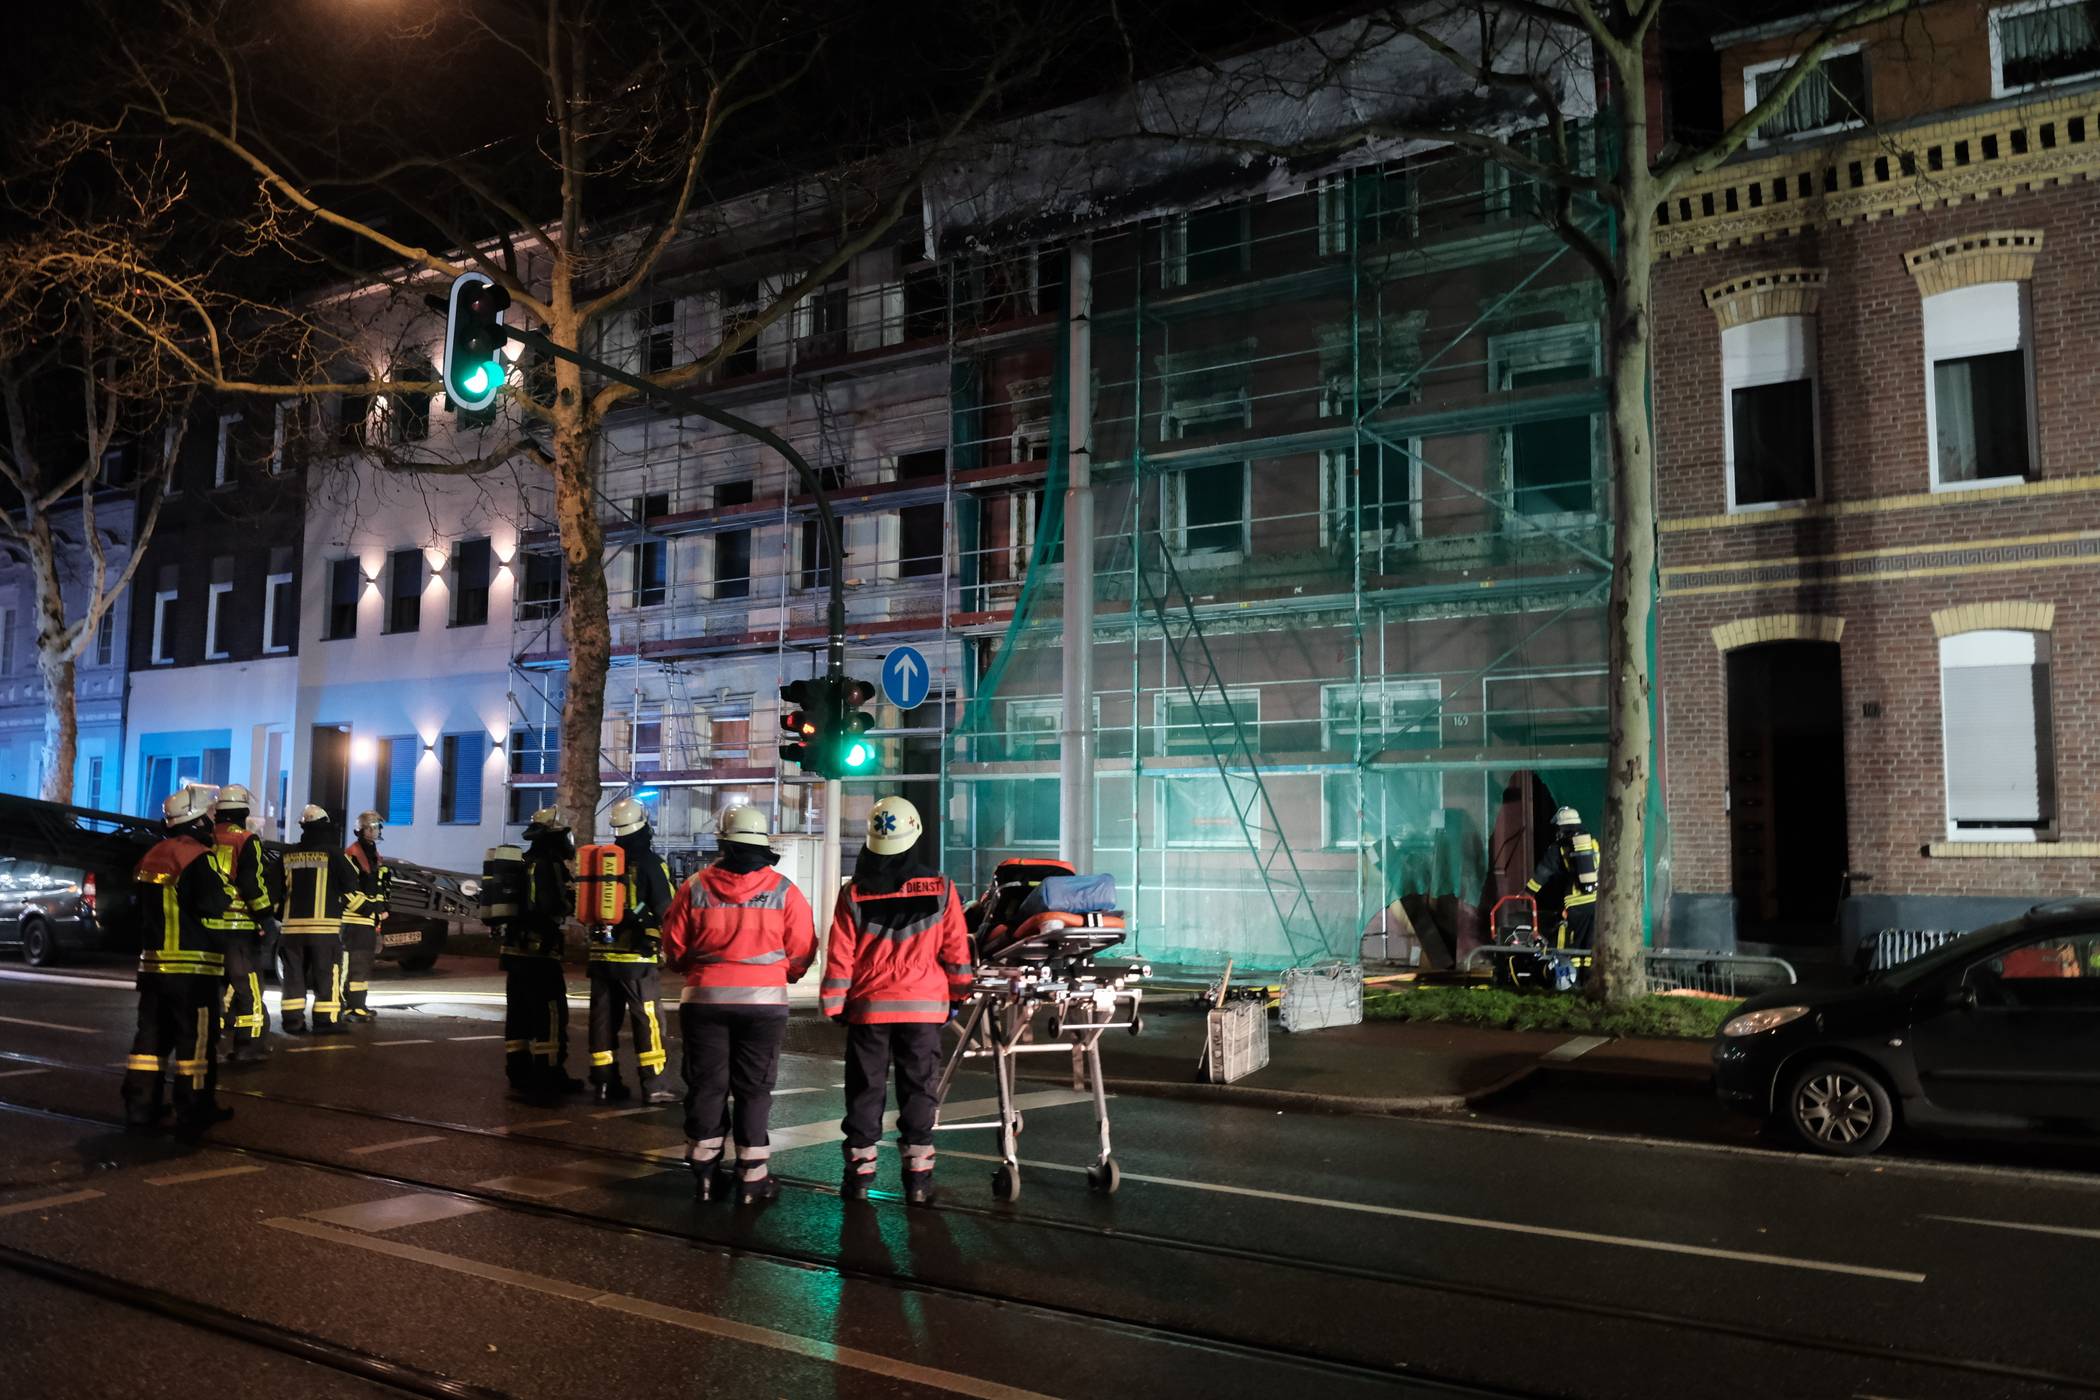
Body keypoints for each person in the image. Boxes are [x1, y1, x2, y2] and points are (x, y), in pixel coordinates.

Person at [820, 795, 972, 1206]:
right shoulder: (942, 888)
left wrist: (835, 1004)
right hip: (924, 1009)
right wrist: (958, 993)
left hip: (869, 1008)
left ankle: (859, 1175)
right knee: (918, 1089)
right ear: (916, 833)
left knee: (865, 1090)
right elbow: (957, 950)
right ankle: (919, 1178)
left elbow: (840, 954)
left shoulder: (854, 893)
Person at [661, 805, 816, 1205]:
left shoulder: (694, 886)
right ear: (763, 845)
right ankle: (752, 1178)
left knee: (707, 1086)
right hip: (764, 1005)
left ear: (724, 844)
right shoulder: (784, 890)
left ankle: (705, 1175)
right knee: (754, 1090)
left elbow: (673, 947)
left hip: (705, 999)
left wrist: (696, 970)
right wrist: (785, 975)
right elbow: (802, 949)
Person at [123, 787, 236, 1132]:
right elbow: (215, 904)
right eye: (210, 818)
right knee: (195, 1045)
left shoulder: (150, 857)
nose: (212, 824)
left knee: (150, 1042)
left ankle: (141, 1108)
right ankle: (194, 1111)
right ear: (198, 819)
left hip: (154, 969)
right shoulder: (196, 858)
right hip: (192, 971)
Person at [585, 796, 677, 1104]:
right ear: (644, 824)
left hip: (600, 956)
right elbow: (669, 910)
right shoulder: (651, 863)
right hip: (636, 957)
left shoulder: (601, 861)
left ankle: (603, 1082)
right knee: (647, 1019)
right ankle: (655, 1086)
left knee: (602, 1019)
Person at [504, 806, 583, 1098]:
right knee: (549, 1014)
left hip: (515, 952)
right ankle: (548, 1074)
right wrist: (569, 903)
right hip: (540, 955)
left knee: (519, 1016)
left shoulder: (524, 861)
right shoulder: (548, 864)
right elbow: (547, 906)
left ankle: (519, 1072)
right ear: (554, 835)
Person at [277, 805, 368, 1035]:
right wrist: (370, 908)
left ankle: (293, 1022)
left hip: (291, 932)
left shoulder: (287, 854)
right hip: (324, 931)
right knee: (326, 975)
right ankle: (325, 1021)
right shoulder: (335, 854)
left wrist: (282, 917)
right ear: (326, 825)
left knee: (293, 978)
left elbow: (272, 892)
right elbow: (350, 890)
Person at [206, 785, 279, 1063]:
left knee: (216, 988)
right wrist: (266, 918)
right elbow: (252, 884)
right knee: (249, 987)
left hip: (209, 928)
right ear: (244, 811)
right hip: (239, 929)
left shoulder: (204, 838)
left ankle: (210, 1041)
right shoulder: (247, 840)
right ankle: (249, 1044)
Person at [341, 810, 393, 1023]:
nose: (377, 831)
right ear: (364, 829)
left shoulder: (373, 854)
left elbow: (377, 887)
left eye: (378, 827)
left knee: (362, 965)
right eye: (374, 827)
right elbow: (347, 889)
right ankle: (348, 1006)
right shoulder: (353, 853)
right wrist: (370, 908)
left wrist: (382, 907)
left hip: (367, 921)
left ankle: (358, 1005)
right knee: (351, 966)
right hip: (354, 921)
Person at [1526, 805, 1600, 951]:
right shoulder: (1592, 842)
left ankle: (1575, 972)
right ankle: (1589, 973)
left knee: (1576, 945)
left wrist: (1528, 892)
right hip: (1597, 900)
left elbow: (1543, 872)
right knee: (1591, 944)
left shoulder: (1559, 848)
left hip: (1576, 903)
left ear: (1561, 827)